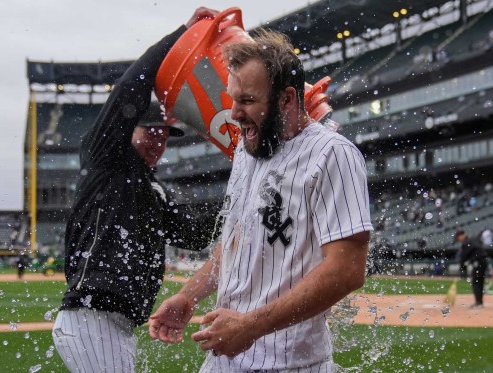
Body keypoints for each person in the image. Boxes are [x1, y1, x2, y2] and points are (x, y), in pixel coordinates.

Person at [149, 30, 373, 372]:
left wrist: (251, 325)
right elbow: (238, 240)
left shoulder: (333, 154)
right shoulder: (247, 149)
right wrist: (188, 296)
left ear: (286, 99)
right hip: (224, 357)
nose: (235, 113)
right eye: (233, 99)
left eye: (248, 100)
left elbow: (347, 270)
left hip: (291, 363)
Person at [52, 7, 220, 373]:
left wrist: (246, 194)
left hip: (116, 324)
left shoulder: (152, 189)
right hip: (91, 317)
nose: (158, 142)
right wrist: (181, 35)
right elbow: (129, 88)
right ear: (128, 130)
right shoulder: (107, 158)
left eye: (164, 135)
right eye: (150, 132)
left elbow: (194, 234)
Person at [455, 230, 489, 308]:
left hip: (478, 262)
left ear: (461, 236)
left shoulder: (466, 243)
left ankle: (478, 302)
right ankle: (479, 302)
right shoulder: (473, 240)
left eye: (458, 237)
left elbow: (464, 257)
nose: (458, 240)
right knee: (480, 282)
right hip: (483, 261)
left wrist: (462, 267)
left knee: (476, 282)